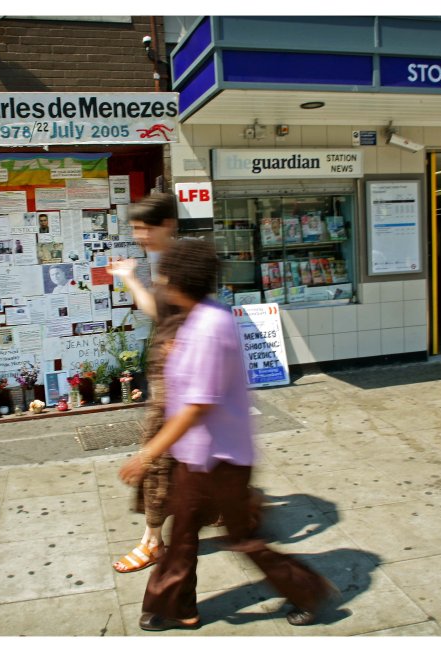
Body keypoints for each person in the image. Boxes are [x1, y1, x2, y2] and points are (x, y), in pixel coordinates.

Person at [118, 239, 338, 631]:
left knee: (242, 538)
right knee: (183, 533)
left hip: (222, 459)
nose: (162, 283)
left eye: (165, 276)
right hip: (198, 455)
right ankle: (177, 607)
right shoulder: (197, 317)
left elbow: (198, 403)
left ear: (181, 281)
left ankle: (308, 591)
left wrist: (148, 454)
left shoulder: (210, 325)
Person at [106, 193, 182, 574]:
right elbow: (158, 311)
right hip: (171, 376)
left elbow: (191, 316)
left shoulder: (183, 262)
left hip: (178, 381)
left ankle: (152, 541)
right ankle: (230, 511)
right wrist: (130, 278)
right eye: (134, 228)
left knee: (155, 455)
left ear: (166, 224)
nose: (138, 235)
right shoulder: (165, 261)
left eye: (144, 228)